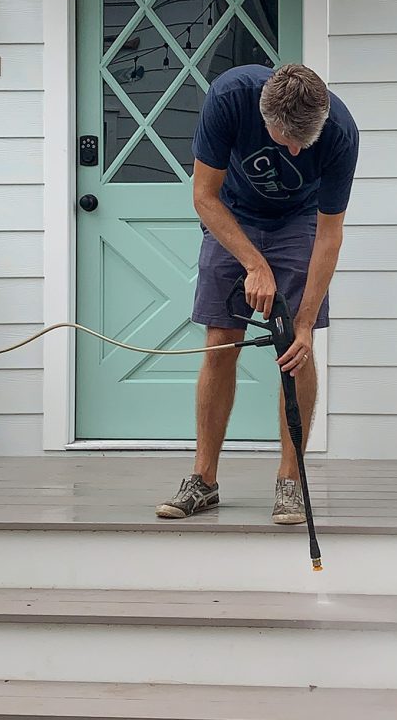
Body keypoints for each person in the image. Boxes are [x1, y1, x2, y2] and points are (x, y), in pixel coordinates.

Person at [156, 63, 359, 524]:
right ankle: (203, 481)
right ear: (262, 112)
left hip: (300, 222)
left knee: (296, 350)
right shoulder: (230, 97)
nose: (292, 149)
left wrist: (305, 324)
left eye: (301, 143)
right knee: (219, 343)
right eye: (283, 138)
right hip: (233, 215)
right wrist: (254, 263)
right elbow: (203, 196)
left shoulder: (340, 131)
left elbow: (329, 235)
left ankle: (291, 481)